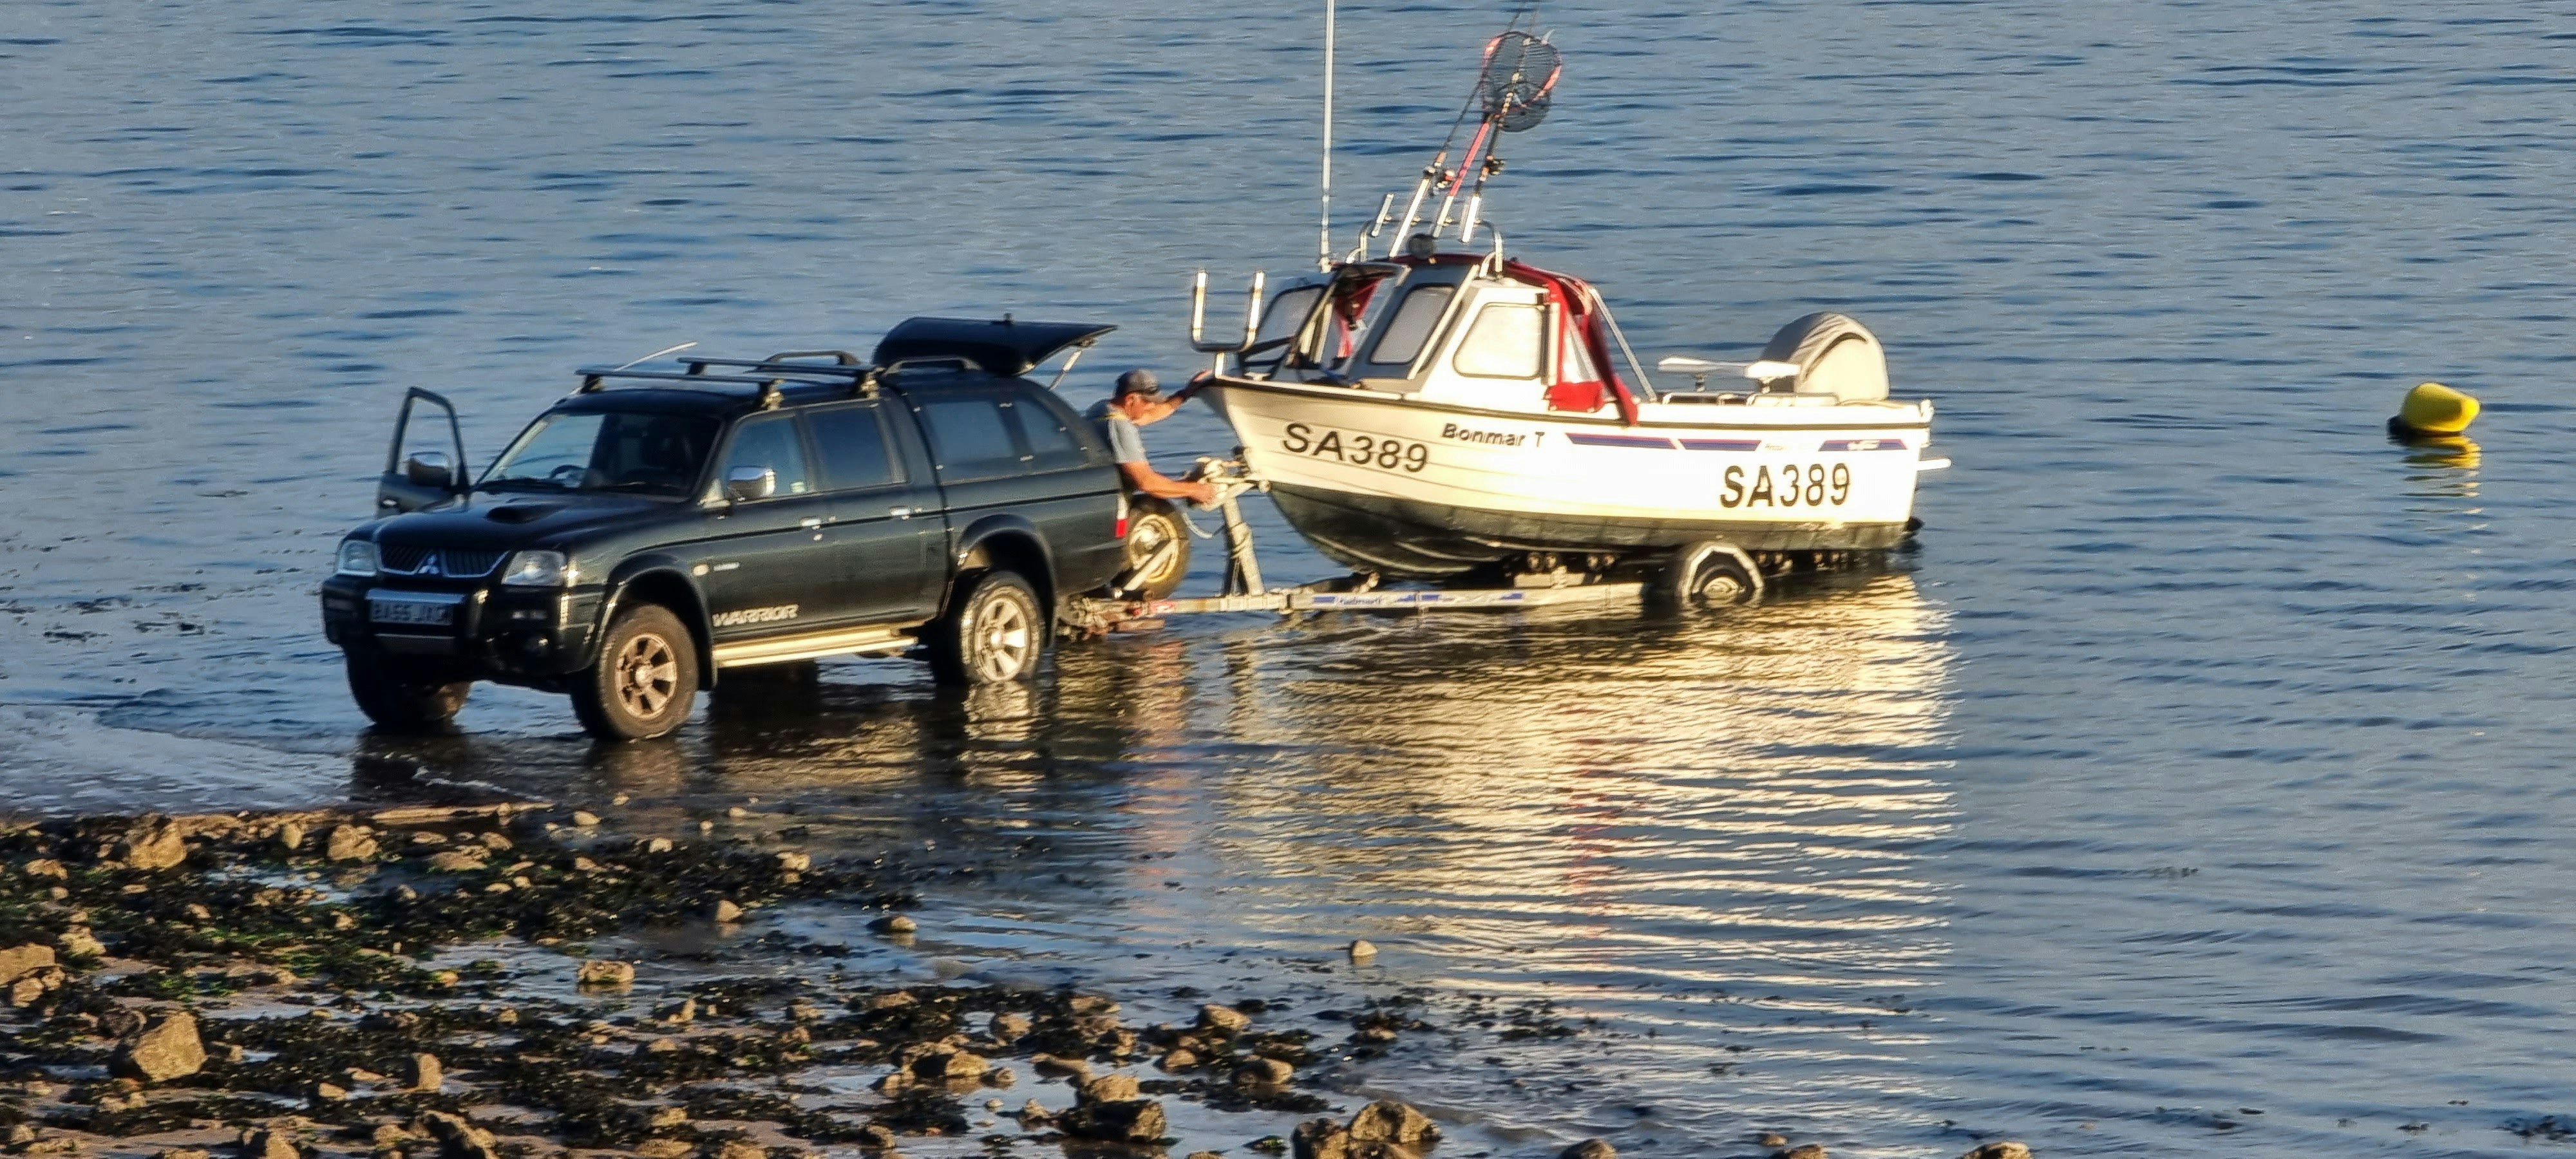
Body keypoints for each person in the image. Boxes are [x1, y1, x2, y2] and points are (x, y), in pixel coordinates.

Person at [1088, 368, 1217, 505]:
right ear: (1130, 399)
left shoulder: (1101, 409)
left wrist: (1185, 393)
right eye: (1148, 402)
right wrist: (1195, 490)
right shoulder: (1120, 427)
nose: (1152, 405)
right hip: (1109, 502)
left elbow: (1152, 414)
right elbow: (1146, 483)